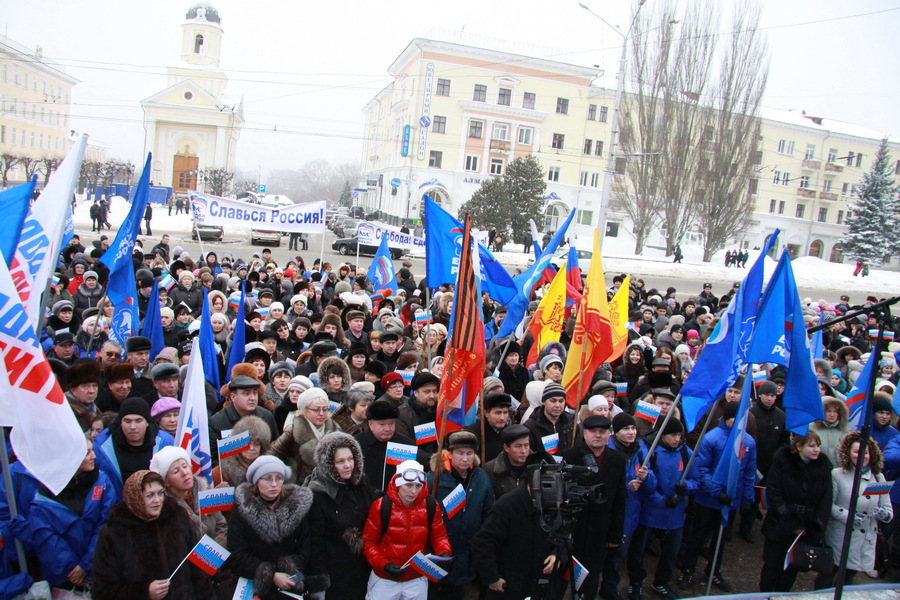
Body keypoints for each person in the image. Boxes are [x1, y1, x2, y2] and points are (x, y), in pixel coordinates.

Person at [1, 437, 114, 592]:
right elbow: (44, 536)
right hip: (61, 575)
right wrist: (71, 568)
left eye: (92, 450)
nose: (94, 456)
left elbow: (107, 525)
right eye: (87, 452)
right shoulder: (44, 492)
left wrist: (86, 564)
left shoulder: (102, 482)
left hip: (98, 567)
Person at [92, 470, 215, 600]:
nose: (157, 500)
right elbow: (102, 590)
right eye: (150, 495)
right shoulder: (114, 532)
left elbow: (199, 569)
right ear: (135, 497)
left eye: (160, 493)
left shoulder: (177, 516)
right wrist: (144, 591)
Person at [678, 401, 756, 593]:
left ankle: (714, 570)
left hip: (731, 500)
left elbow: (749, 473)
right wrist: (716, 492)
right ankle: (688, 569)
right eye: (735, 419)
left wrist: (747, 499)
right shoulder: (711, 439)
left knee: (720, 539)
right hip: (708, 498)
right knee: (698, 536)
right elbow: (702, 469)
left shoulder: (748, 442)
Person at [361, 459, 452, 600]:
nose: (413, 491)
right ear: (398, 484)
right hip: (385, 579)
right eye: (408, 485)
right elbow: (368, 543)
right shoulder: (381, 506)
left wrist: (444, 552)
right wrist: (385, 565)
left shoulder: (430, 505)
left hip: (416, 578)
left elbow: (439, 535)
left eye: (418, 486)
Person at [228, 456, 312, 600]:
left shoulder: (296, 506)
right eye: (267, 478)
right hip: (256, 590)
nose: (274, 484)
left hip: (291, 588)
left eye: (279, 478)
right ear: (257, 481)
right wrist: (271, 575)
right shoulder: (242, 510)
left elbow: (305, 547)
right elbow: (237, 554)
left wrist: (289, 570)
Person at [816, 431, 893, 588]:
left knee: (847, 583)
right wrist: (848, 516)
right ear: (848, 453)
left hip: (864, 541)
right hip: (840, 537)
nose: (862, 456)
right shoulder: (837, 474)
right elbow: (828, 506)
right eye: (857, 452)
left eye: (865, 452)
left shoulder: (879, 477)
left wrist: (883, 514)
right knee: (826, 578)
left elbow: (888, 511)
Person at [630, 419, 697, 600]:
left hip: (674, 513)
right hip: (650, 511)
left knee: (671, 552)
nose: (677, 439)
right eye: (673, 435)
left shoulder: (684, 452)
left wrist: (687, 487)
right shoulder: (648, 452)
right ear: (662, 435)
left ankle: (661, 582)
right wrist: (662, 501)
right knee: (639, 550)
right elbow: (644, 483)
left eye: (679, 435)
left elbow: (695, 478)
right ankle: (635, 583)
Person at [306, 432, 378, 599]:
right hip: (336, 575)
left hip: (364, 568)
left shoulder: (361, 482)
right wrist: (319, 583)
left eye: (351, 459)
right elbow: (315, 544)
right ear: (328, 464)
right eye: (340, 461)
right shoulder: (317, 495)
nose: (348, 465)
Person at [758, 432, 833, 592]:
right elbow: (774, 493)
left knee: (791, 571)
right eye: (811, 446)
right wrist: (790, 521)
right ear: (799, 446)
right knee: (772, 568)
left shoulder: (823, 469)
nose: (816, 450)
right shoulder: (782, 462)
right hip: (779, 526)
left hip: (804, 532)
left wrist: (812, 527)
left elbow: (825, 503)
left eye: (818, 446)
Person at [428, 431, 495, 599]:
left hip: (468, 553)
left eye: (469, 453)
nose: (465, 459)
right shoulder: (434, 479)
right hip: (439, 551)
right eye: (460, 453)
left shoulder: (481, 477)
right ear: (449, 454)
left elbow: (489, 512)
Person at [93, 397, 175, 500]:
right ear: (120, 422)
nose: (132, 426)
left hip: (158, 504)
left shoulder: (166, 443)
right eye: (127, 421)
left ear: (147, 423)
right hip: (118, 507)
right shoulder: (102, 446)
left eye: (138, 421)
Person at [150, 446, 227, 547]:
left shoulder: (204, 491)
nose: (184, 473)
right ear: (166, 482)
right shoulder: (166, 509)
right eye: (176, 471)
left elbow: (221, 525)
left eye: (185, 466)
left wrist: (217, 548)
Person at [270, 387, 341, 483]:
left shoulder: (335, 429)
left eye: (324, 409)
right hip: (303, 485)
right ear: (304, 410)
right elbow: (272, 454)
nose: (321, 413)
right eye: (316, 410)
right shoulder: (293, 430)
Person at [354, 400, 425, 491]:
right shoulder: (356, 444)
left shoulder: (406, 444)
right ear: (370, 424)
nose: (387, 429)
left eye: (391, 423)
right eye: (382, 424)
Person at [214, 415, 272, 487]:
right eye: (246, 443)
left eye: (256, 444)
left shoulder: (270, 468)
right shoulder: (218, 473)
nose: (251, 448)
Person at [396, 372, 440, 456]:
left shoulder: (441, 412)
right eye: (426, 392)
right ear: (415, 393)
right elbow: (405, 447)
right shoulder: (402, 415)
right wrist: (431, 461)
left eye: (434, 391)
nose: (432, 396)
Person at [524, 382, 574, 455]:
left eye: (561, 401)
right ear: (544, 402)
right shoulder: (530, 426)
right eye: (553, 401)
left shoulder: (571, 424)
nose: (557, 405)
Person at [465, 392, 512, 463]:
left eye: (505, 413)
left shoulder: (511, 433)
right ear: (486, 413)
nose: (502, 418)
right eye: (498, 413)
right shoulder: (472, 434)